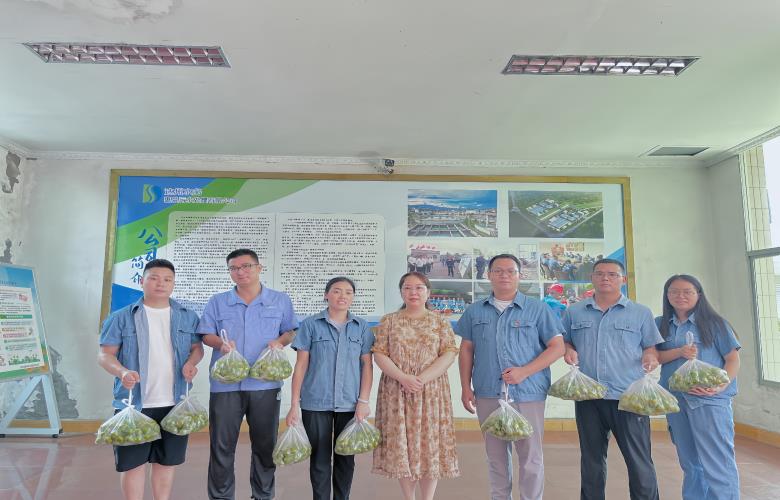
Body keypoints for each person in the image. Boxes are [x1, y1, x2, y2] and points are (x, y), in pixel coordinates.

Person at [456, 254, 565, 500]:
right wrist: (465, 386)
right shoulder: (475, 311)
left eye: (510, 271)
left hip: (528, 393)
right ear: (489, 275)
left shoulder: (538, 309)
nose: (504, 275)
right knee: (495, 457)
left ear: (519, 275)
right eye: (498, 271)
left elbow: (557, 347)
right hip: (487, 392)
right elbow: (466, 350)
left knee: (530, 457)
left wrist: (524, 371)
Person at [98, 259, 203, 500]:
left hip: (175, 403)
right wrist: (122, 372)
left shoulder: (187, 317)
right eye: (154, 278)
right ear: (141, 281)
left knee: (166, 462)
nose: (160, 284)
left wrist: (191, 363)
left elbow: (197, 348)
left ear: (173, 284)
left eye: (167, 280)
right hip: (133, 404)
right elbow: (104, 355)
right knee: (133, 464)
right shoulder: (121, 317)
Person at [198, 249, 298, 500]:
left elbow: (290, 331)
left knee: (265, 445)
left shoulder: (279, 300)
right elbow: (206, 334)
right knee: (221, 446)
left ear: (259, 268)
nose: (240, 272)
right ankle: (221, 497)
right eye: (234, 268)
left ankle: (263, 495)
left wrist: (280, 342)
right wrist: (220, 344)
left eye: (246, 266)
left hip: (265, 385)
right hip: (225, 385)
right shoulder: (218, 301)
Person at [562, 258, 663, 500]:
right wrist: (568, 349)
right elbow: (564, 341)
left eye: (612, 274)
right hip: (588, 397)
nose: (605, 278)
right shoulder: (574, 311)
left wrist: (650, 358)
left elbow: (651, 347)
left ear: (623, 280)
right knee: (591, 460)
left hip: (629, 397)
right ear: (592, 278)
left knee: (639, 461)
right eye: (599, 274)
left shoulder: (640, 313)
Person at [372, 271, 460, 500]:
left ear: (428, 292)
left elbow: (449, 353)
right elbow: (379, 353)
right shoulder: (389, 321)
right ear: (401, 292)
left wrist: (421, 379)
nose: (413, 292)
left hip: (431, 391)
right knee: (404, 445)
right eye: (408, 288)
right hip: (396, 391)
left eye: (419, 288)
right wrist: (403, 377)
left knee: (429, 445)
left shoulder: (439, 322)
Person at [286, 277, 374, 500]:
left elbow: (367, 366)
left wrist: (364, 401)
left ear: (353, 297)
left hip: (350, 402)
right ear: (327, 295)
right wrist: (294, 404)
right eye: (336, 291)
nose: (342, 296)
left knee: (346, 458)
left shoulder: (362, 327)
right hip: (315, 401)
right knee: (319, 458)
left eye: (348, 292)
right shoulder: (310, 324)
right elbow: (301, 365)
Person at [656, 274, 741, 500]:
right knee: (690, 462)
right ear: (667, 295)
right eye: (674, 291)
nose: (680, 296)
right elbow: (656, 357)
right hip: (676, 401)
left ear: (699, 295)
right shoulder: (660, 324)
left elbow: (732, 359)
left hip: (709, 400)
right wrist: (679, 352)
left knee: (717, 460)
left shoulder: (715, 324)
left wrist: (720, 387)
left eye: (687, 292)